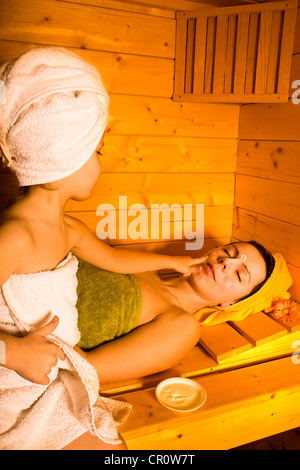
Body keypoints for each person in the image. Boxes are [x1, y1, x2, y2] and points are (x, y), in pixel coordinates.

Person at [0, 46, 204, 451]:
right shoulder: (14, 237)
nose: (101, 163)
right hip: (15, 386)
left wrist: (173, 261)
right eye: (96, 152)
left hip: (55, 377)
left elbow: (114, 259)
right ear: (61, 160)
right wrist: (15, 352)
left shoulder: (68, 227)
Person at [74, 239, 293, 385]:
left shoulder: (182, 326)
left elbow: (86, 368)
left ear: (233, 303)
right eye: (228, 252)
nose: (226, 262)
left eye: (239, 275)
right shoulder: (146, 265)